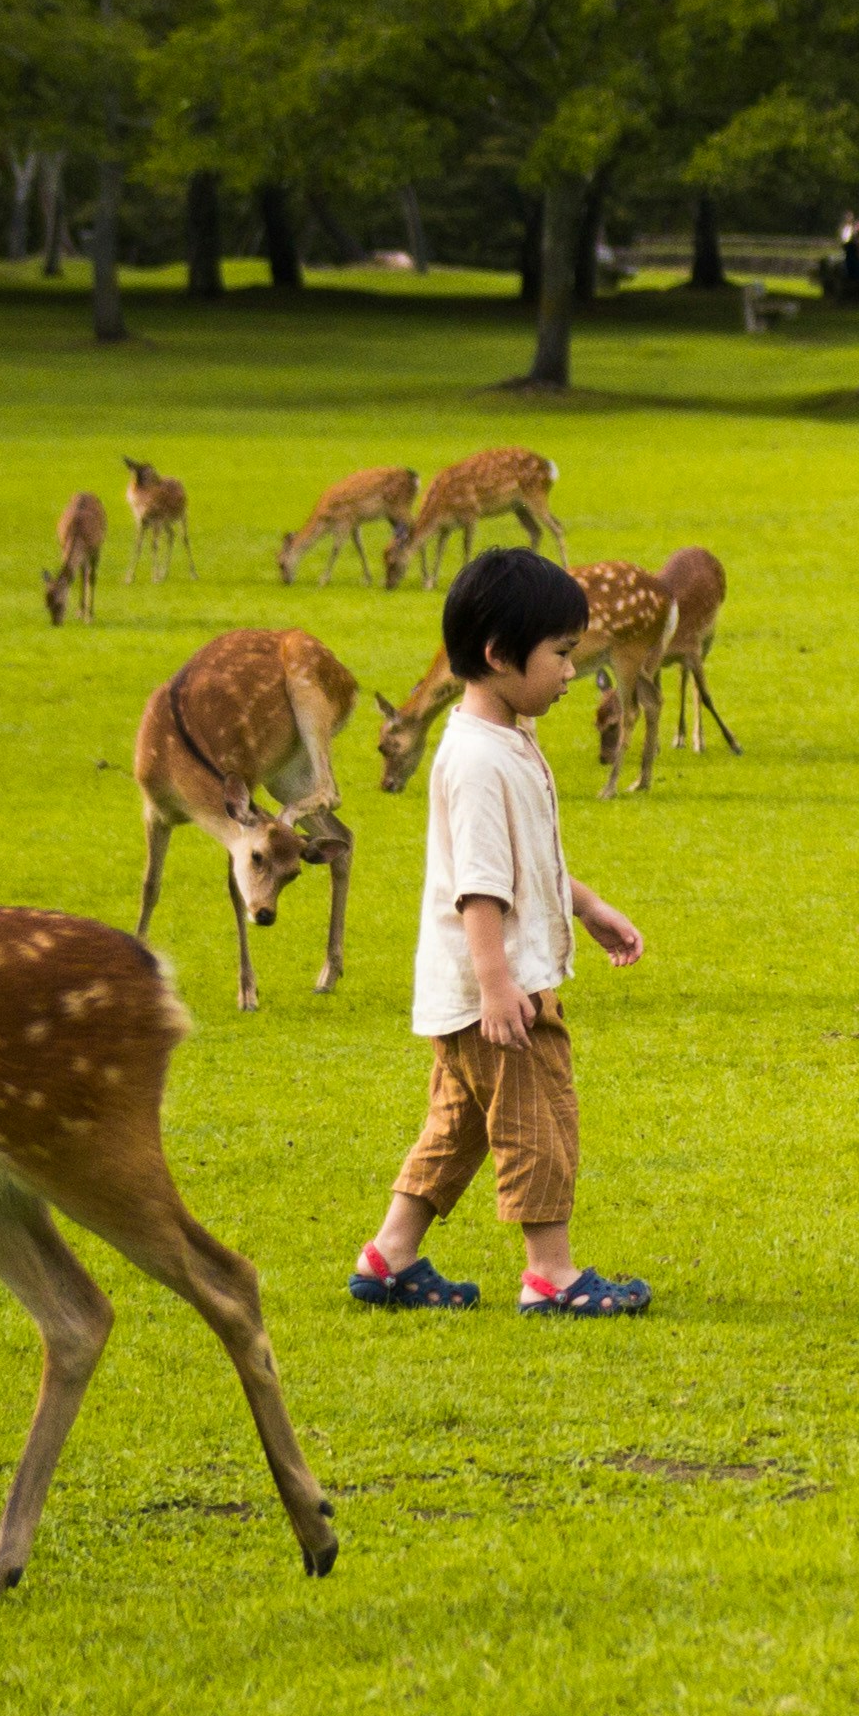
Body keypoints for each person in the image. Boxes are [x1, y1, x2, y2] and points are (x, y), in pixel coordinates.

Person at [347, 548, 654, 1315]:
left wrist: (585, 904)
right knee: (538, 1119)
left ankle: (388, 1256)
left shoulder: (500, 739)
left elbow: (523, 859)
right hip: (499, 990)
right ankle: (550, 1274)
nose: (572, 671)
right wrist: (497, 985)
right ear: (497, 655)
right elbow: (479, 887)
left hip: (470, 992)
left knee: (459, 1126)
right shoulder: (480, 761)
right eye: (559, 653)